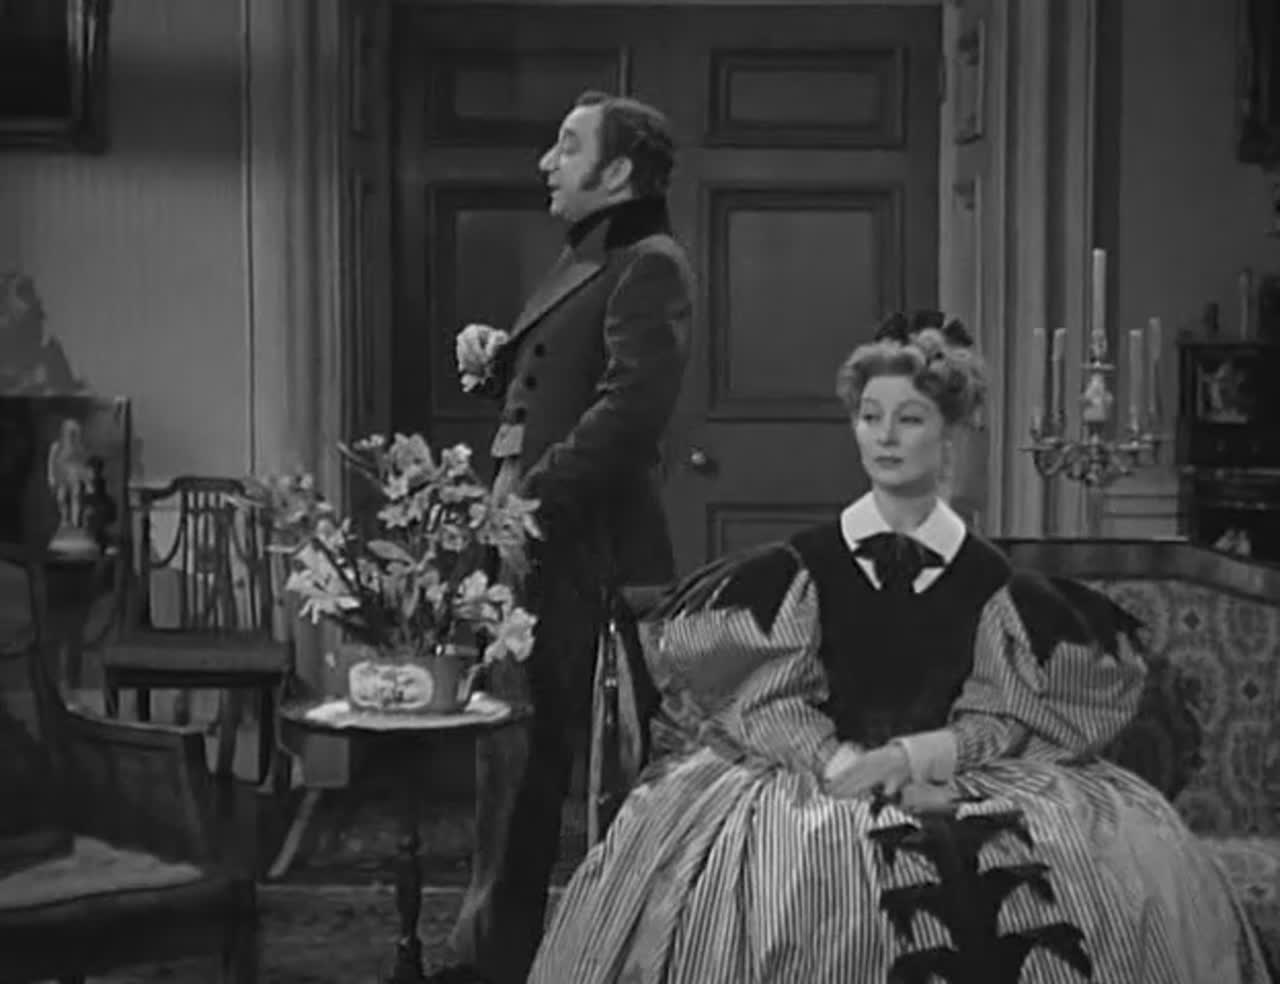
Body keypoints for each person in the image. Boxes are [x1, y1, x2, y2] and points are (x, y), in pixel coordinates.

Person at [527, 311, 1273, 984]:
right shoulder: (799, 570)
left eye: (909, 419)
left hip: (971, 777)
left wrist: (918, 757)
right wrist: (842, 764)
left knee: (1093, 875)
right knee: (798, 885)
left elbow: (1007, 714)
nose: (885, 437)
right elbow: (767, 703)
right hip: (814, 780)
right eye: (870, 417)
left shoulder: (998, 587)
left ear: (948, 436)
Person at [436, 91, 693, 984]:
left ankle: (577, 958)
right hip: (527, 527)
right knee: (508, 752)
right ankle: (493, 956)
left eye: (567, 147)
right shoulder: (590, 256)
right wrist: (498, 363)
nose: (547, 163)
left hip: (581, 540)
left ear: (617, 171)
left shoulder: (650, 263)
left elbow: (629, 410)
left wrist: (531, 499)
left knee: (575, 766)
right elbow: (561, 383)